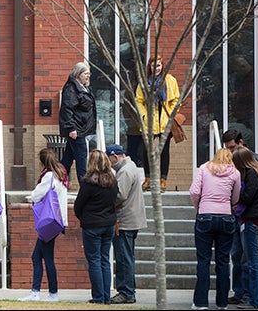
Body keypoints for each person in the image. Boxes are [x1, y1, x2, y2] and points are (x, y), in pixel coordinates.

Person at [189, 148, 241, 310]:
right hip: (226, 216)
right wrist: (229, 205)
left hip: (205, 215)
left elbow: (194, 191)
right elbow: (236, 196)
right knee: (223, 261)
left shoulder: (204, 168)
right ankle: (222, 303)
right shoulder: (235, 173)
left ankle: (201, 303)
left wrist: (199, 207)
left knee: (203, 261)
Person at [19, 148, 69, 302]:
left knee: (46, 258)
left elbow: (37, 194)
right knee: (37, 256)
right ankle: (38, 291)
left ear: (42, 161)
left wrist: (28, 198)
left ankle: (50, 293)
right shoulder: (60, 173)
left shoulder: (48, 175)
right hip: (57, 221)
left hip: (49, 222)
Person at [73, 149, 118, 305]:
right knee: (105, 260)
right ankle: (106, 297)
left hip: (92, 225)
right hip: (109, 224)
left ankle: (99, 298)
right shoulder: (113, 181)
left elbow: (78, 205)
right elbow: (116, 201)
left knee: (94, 261)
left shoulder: (88, 183)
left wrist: (84, 218)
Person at [222, 129, 258, 306]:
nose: (230, 153)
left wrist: (237, 200)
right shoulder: (233, 162)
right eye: (227, 149)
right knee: (236, 254)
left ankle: (249, 295)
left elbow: (250, 193)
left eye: (232, 147)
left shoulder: (253, 163)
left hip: (249, 215)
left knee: (248, 259)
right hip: (239, 215)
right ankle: (240, 292)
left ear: (241, 142)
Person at [106, 143, 147, 304]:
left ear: (115, 156)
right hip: (131, 218)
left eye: (109, 159)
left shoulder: (125, 171)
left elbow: (120, 195)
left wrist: (104, 202)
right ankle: (128, 290)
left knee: (124, 258)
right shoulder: (131, 167)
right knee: (127, 256)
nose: (109, 163)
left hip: (125, 220)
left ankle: (126, 292)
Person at [136, 55, 180, 192]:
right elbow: (139, 100)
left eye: (159, 65)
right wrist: (144, 115)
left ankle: (163, 180)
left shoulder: (170, 80)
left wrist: (170, 114)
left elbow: (176, 99)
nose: (156, 68)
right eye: (153, 66)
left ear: (162, 66)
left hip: (165, 120)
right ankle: (148, 178)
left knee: (164, 151)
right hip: (149, 120)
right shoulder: (144, 82)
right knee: (145, 150)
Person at [230, 147, 258, 310]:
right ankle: (253, 298)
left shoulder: (251, 174)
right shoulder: (256, 172)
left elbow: (248, 197)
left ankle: (256, 300)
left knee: (252, 262)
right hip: (253, 220)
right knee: (250, 261)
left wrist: (235, 196)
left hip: (250, 220)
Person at [59, 62, 97, 186]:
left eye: (89, 73)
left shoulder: (83, 87)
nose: (88, 76)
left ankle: (58, 182)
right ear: (78, 74)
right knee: (81, 159)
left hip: (81, 129)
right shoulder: (72, 88)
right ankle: (84, 187)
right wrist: (71, 128)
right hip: (77, 130)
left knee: (67, 159)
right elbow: (67, 109)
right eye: (86, 73)